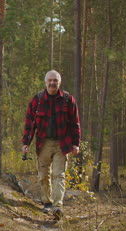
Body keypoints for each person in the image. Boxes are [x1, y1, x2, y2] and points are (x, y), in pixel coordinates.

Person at [21, 70, 80, 220]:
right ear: (45, 82)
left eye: (55, 80)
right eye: (50, 80)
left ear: (59, 82)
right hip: (43, 143)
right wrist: (26, 143)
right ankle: (47, 203)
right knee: (43, 175)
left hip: (62, 143)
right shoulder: (37, 100)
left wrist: (75, 143)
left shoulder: (68, 100)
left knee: (59, 175)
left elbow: (75, 124)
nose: (52, 83)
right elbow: (29, 124)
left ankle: (58, 206)